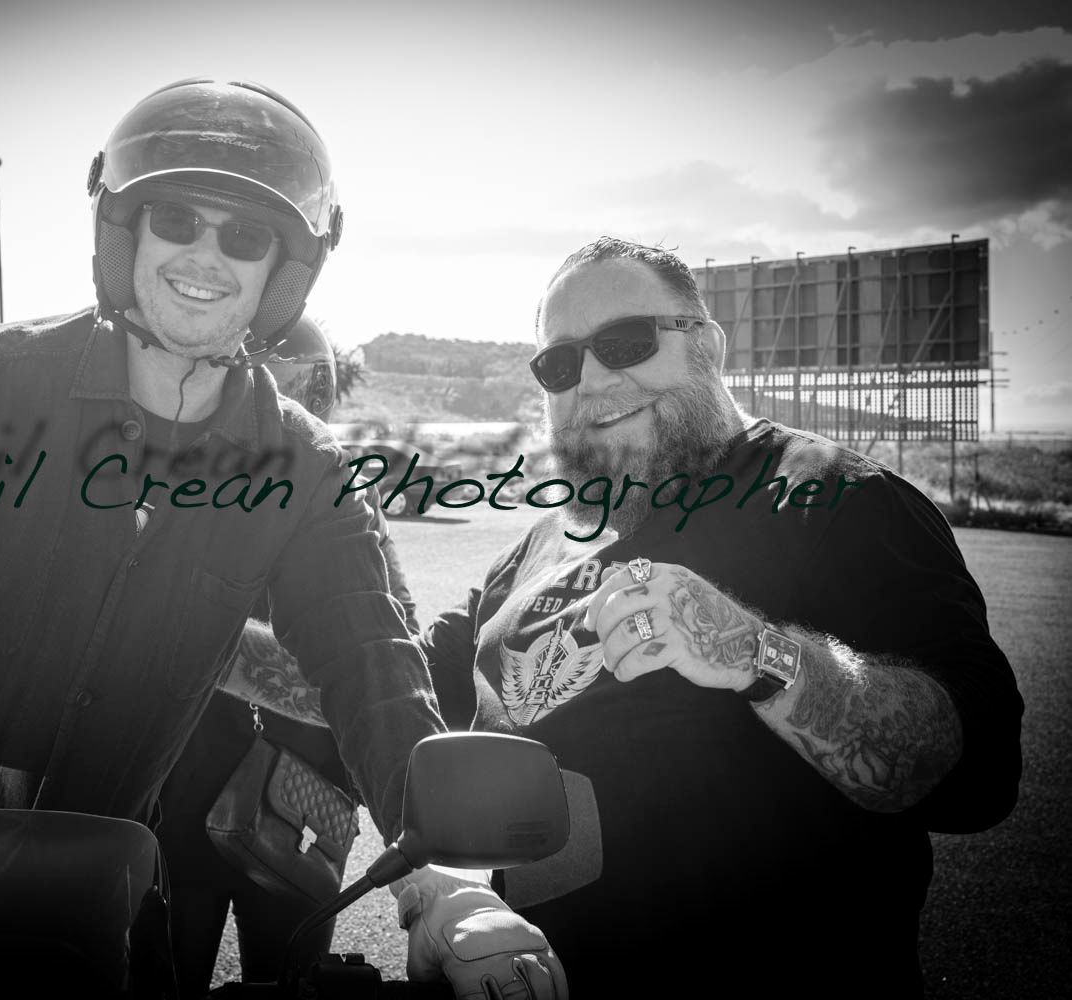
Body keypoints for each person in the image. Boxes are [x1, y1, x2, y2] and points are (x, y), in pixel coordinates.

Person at [0, 78, 560, 999]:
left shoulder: (301, 464)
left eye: (244, 235)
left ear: (283, 272)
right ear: (123, 232)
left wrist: (441, 886)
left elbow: (371, 658)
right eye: (175, 217)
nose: (205, 254)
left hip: (102, 902)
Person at [417, 237, 1024, 996]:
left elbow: (978, 776)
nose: (594, 377)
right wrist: (224, 637)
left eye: (626, 342)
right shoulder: (541, 545)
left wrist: (757, 655)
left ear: (707, 345)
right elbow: (380, 678)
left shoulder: (835, 500)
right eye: (560, 362)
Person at [156, 317, 421, 996]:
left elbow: (392, 654)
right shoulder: (177, 489)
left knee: (295, 982)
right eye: (274, 382)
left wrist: (206, 645)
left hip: (305, 803)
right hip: (178, 802)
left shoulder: (339, 492)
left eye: (311, 385)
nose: (292, 404)